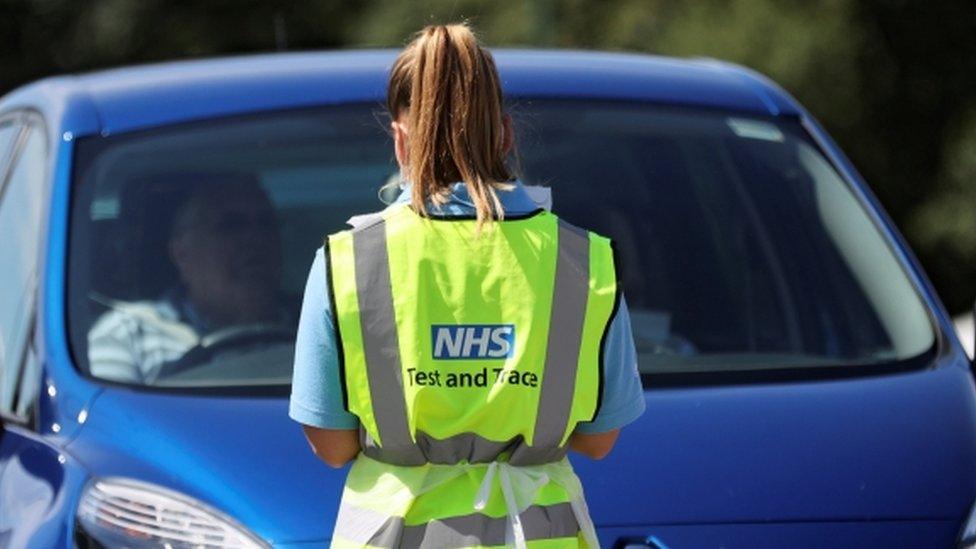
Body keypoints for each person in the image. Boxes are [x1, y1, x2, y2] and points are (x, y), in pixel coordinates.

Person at [289, 23, 644, 548]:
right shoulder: (584, 260)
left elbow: (332, 446)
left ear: (401, 139)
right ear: (504, 134)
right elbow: (599, 440)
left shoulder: (348, 261)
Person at [87, 177, 287, 384]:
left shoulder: (317, 326)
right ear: (181, 253)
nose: (256, 240)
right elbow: (109, 412)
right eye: (231, 226)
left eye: (266, 224)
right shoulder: (127, 336)